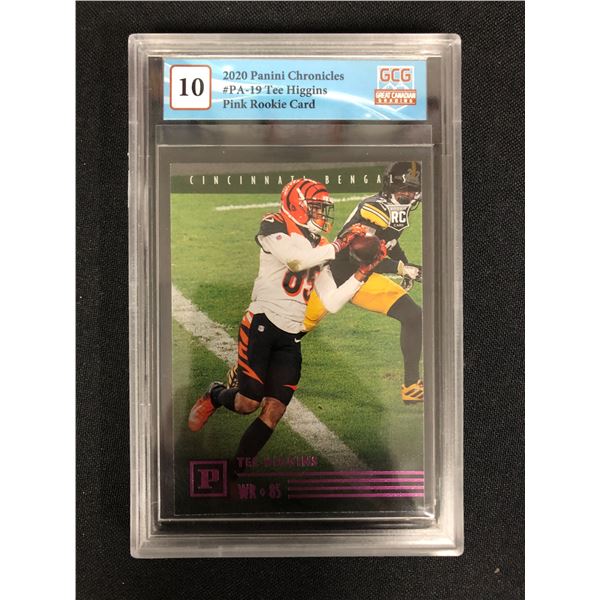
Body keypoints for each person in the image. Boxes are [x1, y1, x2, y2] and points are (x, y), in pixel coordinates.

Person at [187, 178, 386, 467]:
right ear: (297, 206)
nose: (322, 215)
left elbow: (331, 301)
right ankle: (215, 395)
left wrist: (362, 274)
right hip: (262, 323)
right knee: (248, 402)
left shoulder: (320, 246)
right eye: (316, 208)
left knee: (274, 411)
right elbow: (295, 261)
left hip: (291, 335)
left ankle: (235, 474)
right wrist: (339, 245)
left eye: (323, 209)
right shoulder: (275, 224)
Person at [303, 161, 424, 404]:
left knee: (413, 316)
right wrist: (401, 268)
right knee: (294, 328)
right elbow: (361, 256)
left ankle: (411, 387)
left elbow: (389, 241)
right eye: (405, 190)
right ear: (390, 187)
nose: (410, 195)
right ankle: (246, 370)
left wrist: (404, 264)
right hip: (339, 276)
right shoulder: (374, 209)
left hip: (362, 277)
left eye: (414, 190)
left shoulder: (394, 209)